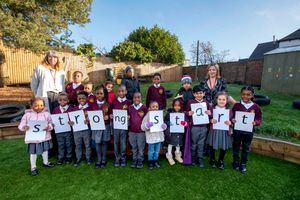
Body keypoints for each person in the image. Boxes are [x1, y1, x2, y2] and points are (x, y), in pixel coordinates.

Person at [18, 97, 55, 176]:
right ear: (31, 106)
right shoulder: (27, 115)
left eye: (41, 105)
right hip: (33, 138)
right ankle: (33, 167)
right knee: (33, 152)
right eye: (36, 105)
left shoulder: (46, 114)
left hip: (44, 137)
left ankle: (46, 162)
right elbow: (21, 124)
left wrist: (49, 127)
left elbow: (51, 123)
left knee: (45, 150)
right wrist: (24, 127)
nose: (39, 107)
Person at [231, 86, 262, 174]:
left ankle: (243, 163)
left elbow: (259, 118)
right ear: (241, 94)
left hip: (248, 131)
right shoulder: (237, 105)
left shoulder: (255, 107)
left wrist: (256, 122)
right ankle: (236, 161)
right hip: (237, 130)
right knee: (236, 145)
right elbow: (232, 114)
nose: (245, 96)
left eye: (248, 95)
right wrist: (232, 119)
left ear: (252, 95)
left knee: (246, 147)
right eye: (243, 94)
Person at [186, 85, 212, 167]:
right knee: (194, 144)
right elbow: (186, 112)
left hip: (204, 127)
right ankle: (193, 158)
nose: (199, 95)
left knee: (201, 144)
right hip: (194, 127)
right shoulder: (191, 102)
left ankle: (200, 158)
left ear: (204, 94)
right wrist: (188, 113)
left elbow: (210, 113)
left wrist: (209, 113)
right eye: (197, 93)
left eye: (201, 93)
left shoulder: (206, 103)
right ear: (194, 94)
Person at [207, 91, 232, 169]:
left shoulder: (229, 110)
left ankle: (221, 160)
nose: (221, 101)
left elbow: (232, 119)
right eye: (219, 99)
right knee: (212, 145)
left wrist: (230, 122)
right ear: (216, 100)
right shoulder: (212, 109)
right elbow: (209, 118)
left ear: (227, 100)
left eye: (223, 99)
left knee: (223, 145)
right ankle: (212, 159)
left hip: (224, 131)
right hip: (214, 130)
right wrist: (211, 120)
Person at [69, 91, 94, 167]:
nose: (81, 100)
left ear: (87, 98)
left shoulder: (90, 108)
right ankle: (78, 158)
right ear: (77, 99)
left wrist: (89, 121)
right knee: (78, 145)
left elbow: (93, 119)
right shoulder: (74, 109)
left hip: (87, 130)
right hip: (77, 130)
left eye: (83, 98)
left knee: (87, 145)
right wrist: (71, 122)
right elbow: (71, 119)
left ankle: (88, 158)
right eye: (79, 98)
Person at [141, 101, 167, 170]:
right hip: (151, 138)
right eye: (153, 107)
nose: (155, 108)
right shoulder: (148, 115)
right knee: (151, 151)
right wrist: (147, 125)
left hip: (158, 137)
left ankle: (155, 160)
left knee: (157, 150)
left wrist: (164, 126)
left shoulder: (160, 115)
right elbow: (142, 127)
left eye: (156, 107)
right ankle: (150, 161)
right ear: (149, 108)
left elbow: (162, 125)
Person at [111, 85, 132, 167]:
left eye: (123, 91)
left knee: (123, 143)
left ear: (126, 91)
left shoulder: (129, 102)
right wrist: (111, 116)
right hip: (116, 126)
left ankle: (123, 158)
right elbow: (111, 112)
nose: (121, 93)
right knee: (116, 143)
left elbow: (131, 113)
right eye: (119, 91)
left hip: (124, 126)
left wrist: (129, 117)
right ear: (117, 92)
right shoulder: (114, 102)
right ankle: (117, 158)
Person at [164, 98, 189, 165]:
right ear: (173, 105)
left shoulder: (183, 114)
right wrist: (168, 123)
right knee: (171, 143)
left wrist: (184, 123)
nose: (177, 107)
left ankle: (177, 155)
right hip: (171, 132)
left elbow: (187, 123)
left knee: (178, 143)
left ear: (181, 106)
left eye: (179, 105)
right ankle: (169, 156)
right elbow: (165, 121)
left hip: (179, 131)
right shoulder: (170, 113)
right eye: (175, 105)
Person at [52, 92, 74, 165]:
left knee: (69, 144)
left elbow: (73, 120)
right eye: (60, 100)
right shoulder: (55, 109)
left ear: (68, 100)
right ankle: (61, 157)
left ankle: (69, 156)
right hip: (59, 131)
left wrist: (71, 122)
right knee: (61, 144)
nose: (62, 101)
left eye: (64, 100)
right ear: (58, 101)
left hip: (68, 130)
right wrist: (53, 123)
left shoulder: (71, 109)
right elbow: (53, 119)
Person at [92, 85, 111, 168]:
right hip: (96, 127)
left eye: (101, 93)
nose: (99, 95)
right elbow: (90, 116)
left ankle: (104, 159)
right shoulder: (93, 105)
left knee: (104, 142)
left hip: (106, 126)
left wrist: (109, 117)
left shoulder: (108, 104)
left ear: (104, 94)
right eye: (97, 93)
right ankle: (99, 159)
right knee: (97, 143)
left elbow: (112, 115)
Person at [128, 92, 148, 169]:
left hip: (141, 132)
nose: (137, 99)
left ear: (141, 98)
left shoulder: (144, 108)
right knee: (134, 146)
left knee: (141, 147)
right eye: (135, 97)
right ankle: (134, 159)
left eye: (138, 97)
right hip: (132, 131)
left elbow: (147, 118)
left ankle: (140, 159)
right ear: (133, 98)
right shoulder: (130, 108)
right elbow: (127, 118)